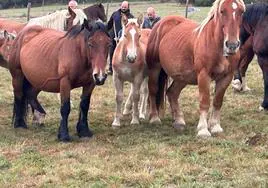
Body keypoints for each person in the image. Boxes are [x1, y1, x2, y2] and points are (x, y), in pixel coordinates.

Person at [107, 1, 134, 75]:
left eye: (125, 7)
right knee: (112, 52)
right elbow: (109, 24)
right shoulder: (115, 14)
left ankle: (125, 68)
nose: (123, 8)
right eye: (122, 6)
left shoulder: (131, 17)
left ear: (128, 7)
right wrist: (106, 32)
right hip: (114, 36)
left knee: (124, 53)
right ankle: (111, 68)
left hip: (125, 38)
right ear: (120, 6)